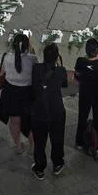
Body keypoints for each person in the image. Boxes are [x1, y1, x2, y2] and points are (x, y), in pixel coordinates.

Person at [30, 43, 68, 178]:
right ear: (57, 58)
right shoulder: (61, 71)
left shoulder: (35, 69)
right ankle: (57, 163)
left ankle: (39, 168)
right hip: (56, 111)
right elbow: (65, 84)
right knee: (57, 139)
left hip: (39, 111)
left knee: (39, 142)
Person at [0, 33, 37, 153]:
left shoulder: (7, 57)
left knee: (14, 122)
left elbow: (2, 73)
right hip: (27, 94)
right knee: (29, 123)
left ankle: (19, 146)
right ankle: (33, 146)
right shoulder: (32, 59)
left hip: (11, 93)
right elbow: (36, 72)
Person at [73, 39, 98, 156]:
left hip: (85, 92)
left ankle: (79, 142)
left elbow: (77, 75)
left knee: (82, 116)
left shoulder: (80, 61)